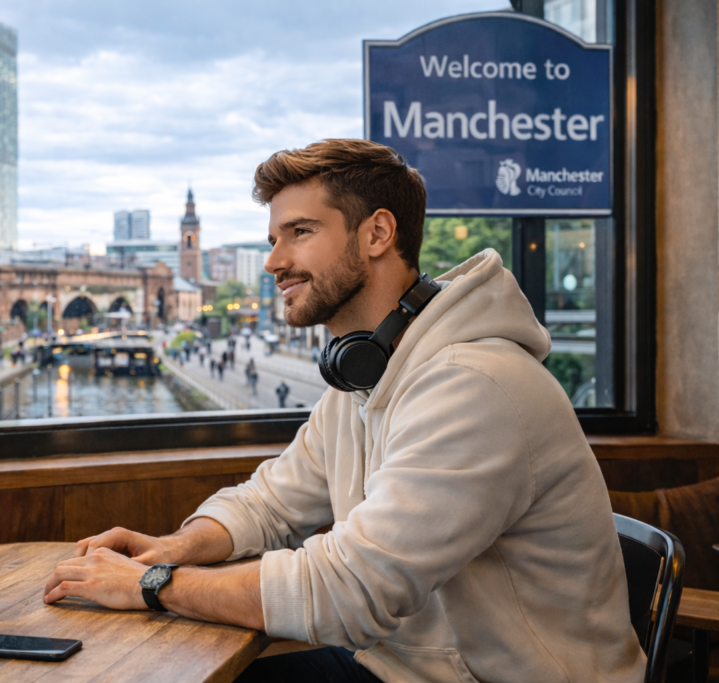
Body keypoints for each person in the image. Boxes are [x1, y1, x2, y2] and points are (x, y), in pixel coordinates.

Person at [42, 139, 642, 683]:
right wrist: (173, 548)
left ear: (377, 234)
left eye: (299, 232)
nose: (275, 261)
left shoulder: (474, 386)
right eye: (273, 238)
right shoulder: (365, 378)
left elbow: (350, 590)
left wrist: (151, 585)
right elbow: (269, 501)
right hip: (397, 669)